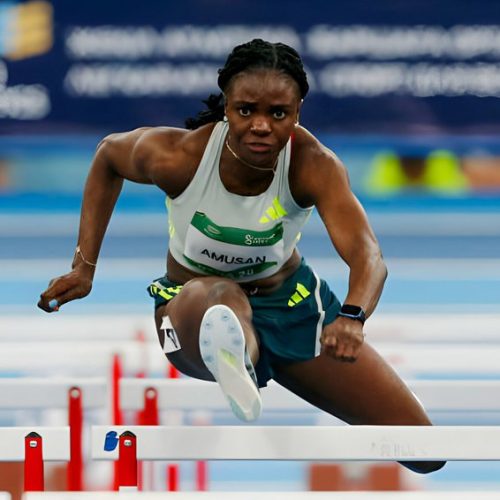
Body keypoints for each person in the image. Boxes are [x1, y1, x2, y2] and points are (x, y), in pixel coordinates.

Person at [38, 39, 445, 474]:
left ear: (298, 111)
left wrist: (352, 316)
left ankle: (242, 358)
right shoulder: (180, 157)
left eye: (278, 114)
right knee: (219, 294)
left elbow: (369, 255)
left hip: (290, 308)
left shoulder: (313, 164)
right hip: (190, 311)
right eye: (246, 110)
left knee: (425, 450)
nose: (262, 126)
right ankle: (237, 355)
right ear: (226, 107)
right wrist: (84, 267)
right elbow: (107, 156)